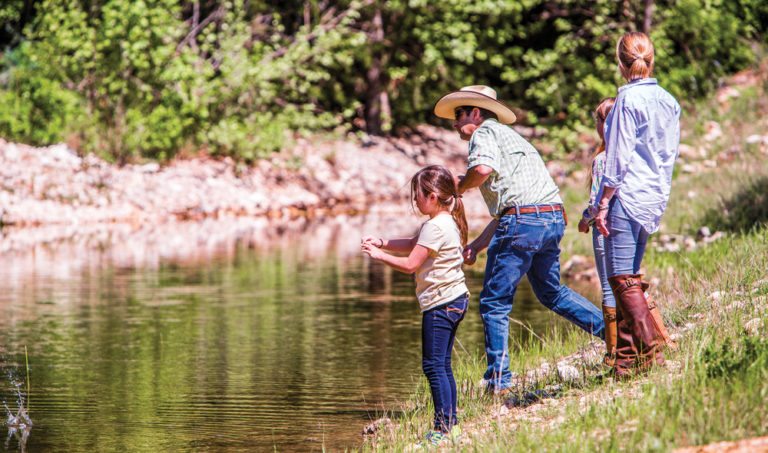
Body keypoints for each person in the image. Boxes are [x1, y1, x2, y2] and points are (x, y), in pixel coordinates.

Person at [433, 85, 605, 394]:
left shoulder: (483, 133)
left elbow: (483, 171)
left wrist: (459, 187)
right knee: (552, 294)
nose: (455, 123)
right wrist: (476, 245)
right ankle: (618, 337)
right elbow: (508, 210)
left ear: (475, 112)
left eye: (458, 115)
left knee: (494, 302)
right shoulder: (514, 138)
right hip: (551, 217)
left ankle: (499, 381)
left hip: (524, 220)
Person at [593, 31, 681, 378]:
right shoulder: (668, 100)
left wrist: (602, 204)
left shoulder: (627, 101)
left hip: (627, 196)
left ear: (620, 63)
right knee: (628, 277)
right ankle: (627, 363)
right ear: (651, 59)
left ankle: (654, 349)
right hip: (654, 195)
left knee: (620, 278)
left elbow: (617, 159)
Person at [361, 165, 469, 445]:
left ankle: (442, 429)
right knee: (442, 365)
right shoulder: (446, 221)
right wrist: (383, 241)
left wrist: (378, 256)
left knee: (433, 366)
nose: (414, 201)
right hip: (455, 298)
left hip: (441, 303)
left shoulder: (436, 226)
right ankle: (451, 425)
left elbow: (411, 265)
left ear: (432, 196)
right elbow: (413, 243)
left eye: (417, 196)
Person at [578, 97, 618, 367]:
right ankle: (637, 339)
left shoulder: (603, 159)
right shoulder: (628, 155)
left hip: (604, 226)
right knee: (627, 280)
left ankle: (614, 350)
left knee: (608, 287)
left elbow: (596, 200)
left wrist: (584, 220)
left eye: (599, 120)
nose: (597, 125)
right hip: (627, 223)